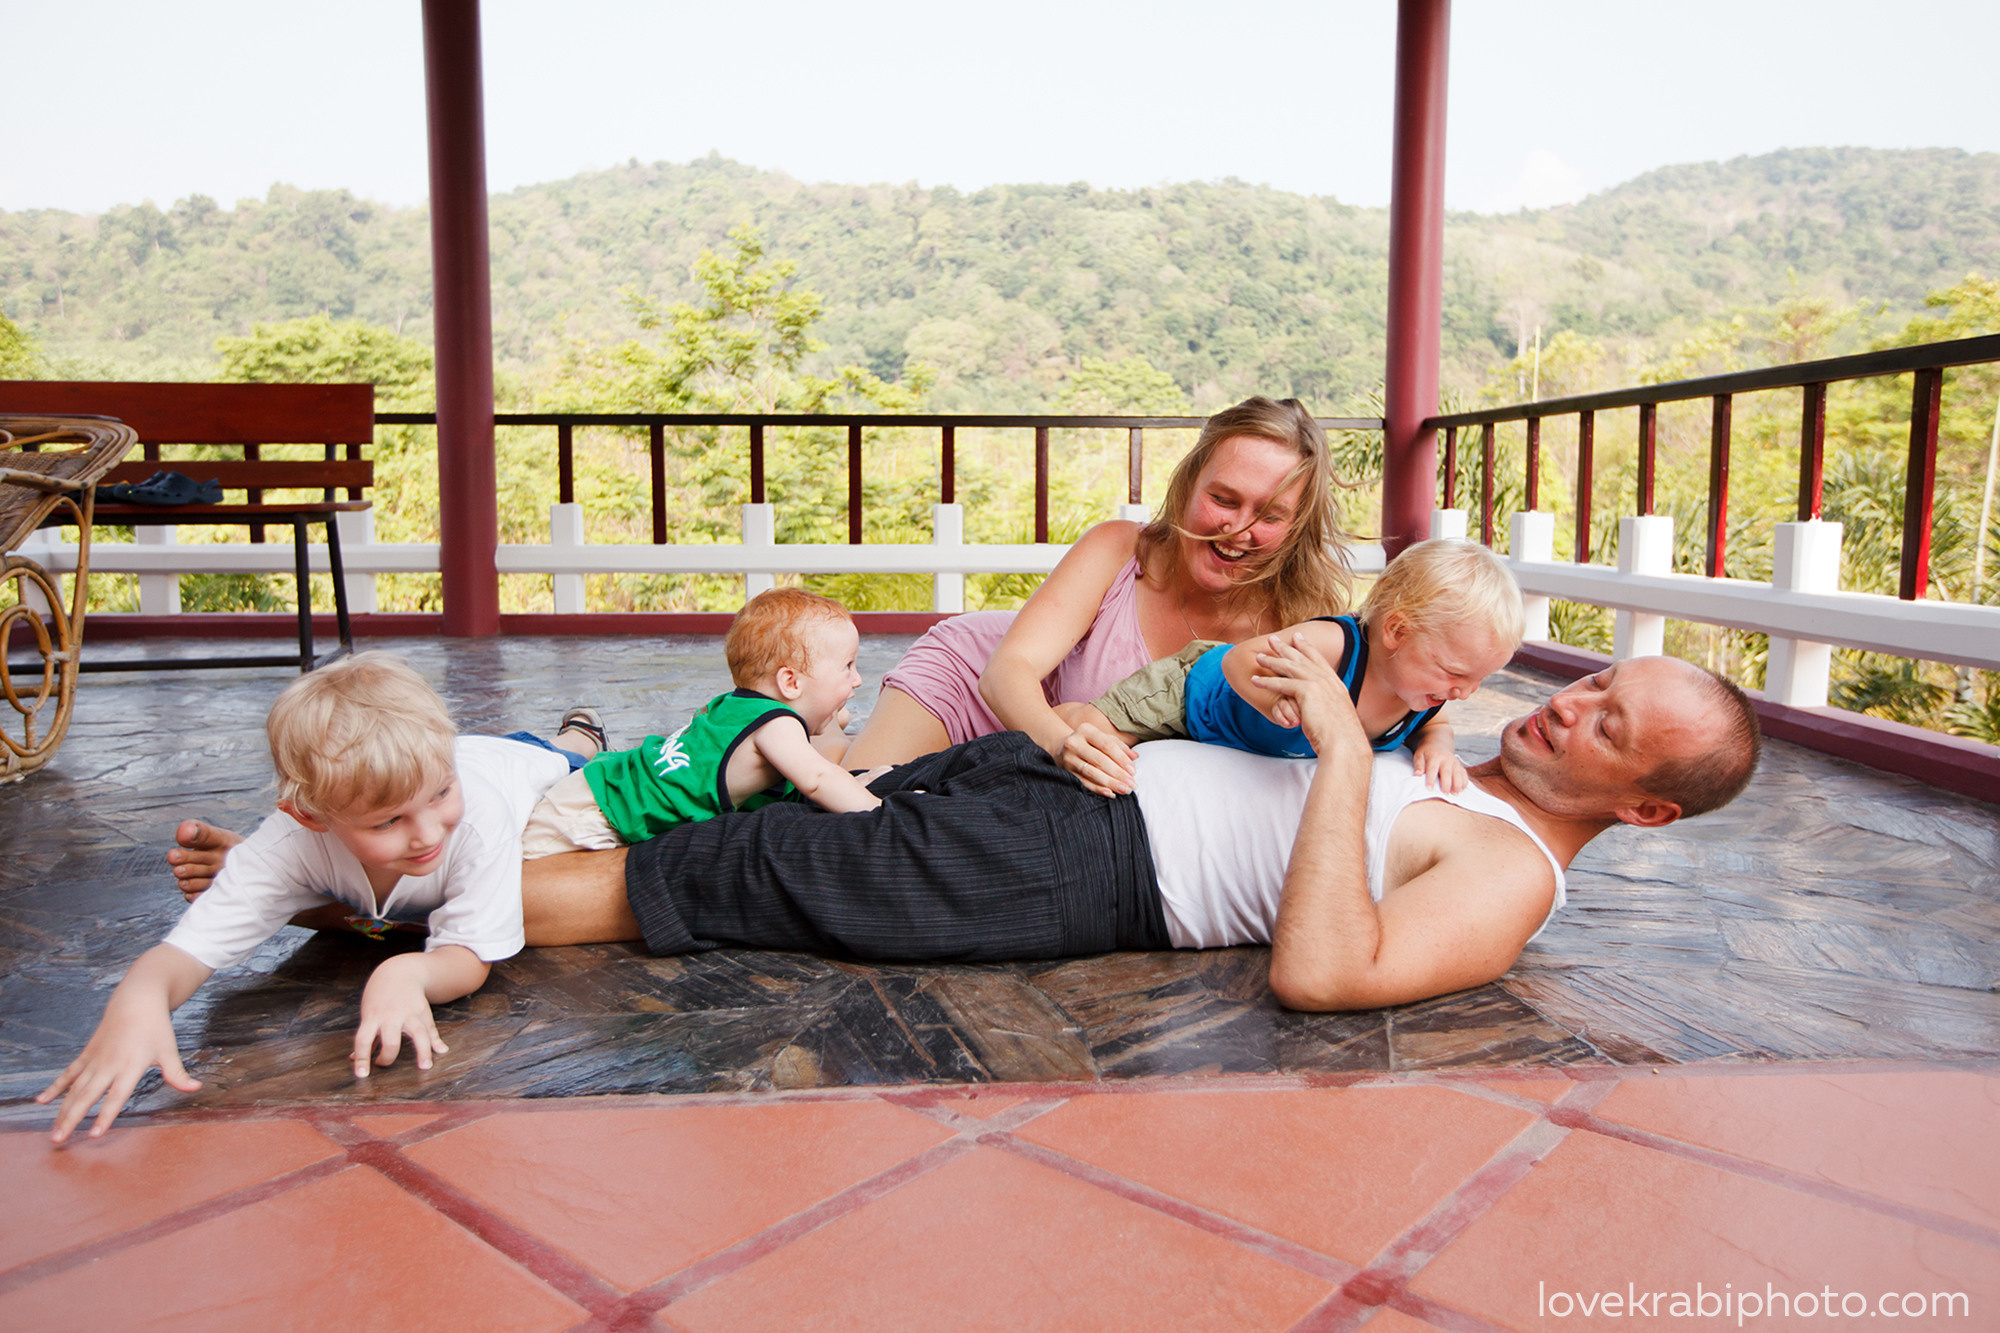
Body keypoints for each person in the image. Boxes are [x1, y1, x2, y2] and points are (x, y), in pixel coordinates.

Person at [509, 647, 1761, 1013]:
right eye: (1594, 682)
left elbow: (1328, 973)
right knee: (779, 797)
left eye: (1607, 728)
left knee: (749, 865)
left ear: (1643, 808)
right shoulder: (1448, 750)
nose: (1567, 708)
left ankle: (410, 894)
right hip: (1072, 777)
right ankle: (478, 830)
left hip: (1086, 866)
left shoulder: (1507, 874)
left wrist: (1337, 745)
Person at [38, 654, 571, 1143]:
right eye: (388, 820)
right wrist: (139, 997)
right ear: (310, 816)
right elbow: (183, 954)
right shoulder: (289, 843)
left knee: (567, 753)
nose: (430, 834)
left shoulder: (478, 817)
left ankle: (580, 732)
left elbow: (472, 954)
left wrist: (406, 974)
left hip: (526, 764)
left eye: (440, 795)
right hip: (456, 758)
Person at [840, 396, 1357, 787]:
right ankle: (812, 750)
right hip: (972, 685)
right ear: (1189, 485)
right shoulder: (1120, 549)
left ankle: (820, 747)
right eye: (1223, 499)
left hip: (1057, 766)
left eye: (1269, 515)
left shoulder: (1306, 620)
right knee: (868, 800)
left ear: (1297, 526)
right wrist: (1066, 744)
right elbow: (1005, 673)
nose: (1237, 530)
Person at [1056, 538, 1523, 797]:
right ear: (1397, 632)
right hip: (1192, 694)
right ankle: (1068, 714)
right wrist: (1271, 695)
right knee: (1103, 743)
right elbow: (1239, 658)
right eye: (1455, 672)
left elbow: (1435, 724)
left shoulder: (1422, 699)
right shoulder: (1334, 647)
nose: (1464, 692)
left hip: (1233, 738)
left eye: (1479, 680)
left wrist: (1439, 747)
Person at [519, 588, 880, 858]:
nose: (857, 679)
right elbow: (819, 779)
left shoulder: (735, 706)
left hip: (606, 784)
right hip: (596, 814)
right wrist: (878, 813)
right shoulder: (776, 726)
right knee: (520, 872)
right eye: (847, 666)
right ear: (791, 683)